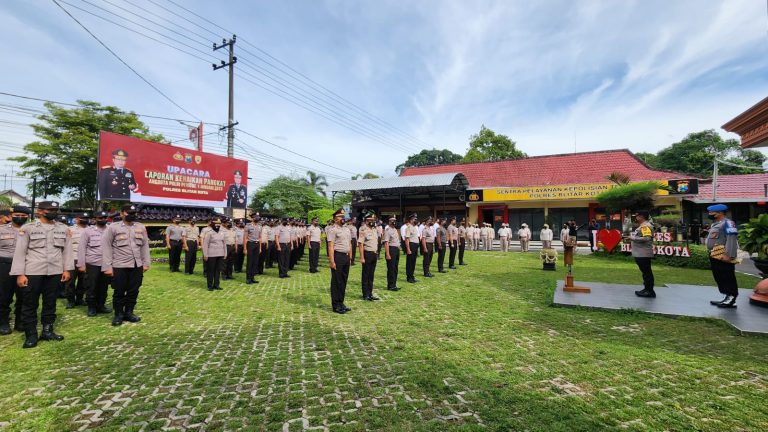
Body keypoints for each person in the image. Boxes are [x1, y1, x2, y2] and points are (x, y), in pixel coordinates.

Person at [11, 201, 73, 348]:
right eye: (49, 210)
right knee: (30, 304)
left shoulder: (63, 228)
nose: (53, 212)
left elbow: (67, 251)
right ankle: (31, 335)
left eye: (55, 209)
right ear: (39, 211)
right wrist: (20, 274)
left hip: (55, 271)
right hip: (33, 272)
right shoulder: (28, 228)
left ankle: (47, 331)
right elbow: (20, 252)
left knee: (50, 303)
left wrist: (67, 269)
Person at [101, 204, 150, 327]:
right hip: (119, 265)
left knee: (134, 290)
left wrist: (146, 263)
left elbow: (144, 246)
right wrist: (107, 266)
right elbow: (106, 247)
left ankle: (129, 312)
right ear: (122, 213)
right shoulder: (113, 227)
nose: (132, 215)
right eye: (129, 213)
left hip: (136, 265)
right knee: (119, 291)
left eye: (134, 213)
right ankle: (118, 315)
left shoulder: (140, 227)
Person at [0, 206, 30, 335]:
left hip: (26, 266)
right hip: (5, 265)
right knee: (4, 296)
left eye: (24, 215)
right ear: (11, 215)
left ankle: (20, 321)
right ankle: (3, 322)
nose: (20, 217)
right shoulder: (1, 230)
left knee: (23, 295)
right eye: (18, 214)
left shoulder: (32, 230)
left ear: (27, 217)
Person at [77, 211, 112, 317]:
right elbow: (81, 248)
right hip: (92, 263)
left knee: (104, 286)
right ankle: (91, 307)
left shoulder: (111, 230)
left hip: (107, 263)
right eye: (100, 217)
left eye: (105, 217)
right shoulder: (88, 231)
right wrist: (81, 264)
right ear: (95, 219)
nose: (102, 219)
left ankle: (101, 305)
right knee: (91, 286)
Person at [706, 204, 740, 308]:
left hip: (724, 254)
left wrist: (729, 255)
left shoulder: (728, 223)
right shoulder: (716, 224)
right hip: (715, 253)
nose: (709, 214)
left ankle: (732, 298)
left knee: (727, 276)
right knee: (719, 276)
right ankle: (726, 296)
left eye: (712, 212)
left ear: (720, 213)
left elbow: (731, 239)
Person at [327, 208, 352, 314]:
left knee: (343, 281)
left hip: (346, 257)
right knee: (337, 281)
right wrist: (332, 261)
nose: (343, 218)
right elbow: (330, 245)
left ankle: (341, 302)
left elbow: (350, 244)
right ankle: (336, 305)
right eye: (340, 217)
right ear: (335, 219)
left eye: (343, 216)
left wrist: (350, 257)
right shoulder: (332, 230)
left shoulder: (347, 229)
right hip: (338, 256)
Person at [629, 211, 655, 298]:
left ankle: (649, 291)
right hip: (641, 253)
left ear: (642, 217)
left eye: (637, 216)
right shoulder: (643, 225)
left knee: (647, 273)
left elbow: (646, 238)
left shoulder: (645, 226)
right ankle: (647, 289)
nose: (636, 218)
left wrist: (632, 238)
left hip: (643, 253)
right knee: (645, 273)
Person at [358, 210, 380, 301]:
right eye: (371, 219)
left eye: (373, 219)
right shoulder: (363, 229)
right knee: (366, 275)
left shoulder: (374, 229)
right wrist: (362, 257)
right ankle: (365, 294)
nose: (373, 221)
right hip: (367, 254)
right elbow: (360, 244)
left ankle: (370, 293)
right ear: (366, 220)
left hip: (374, 254)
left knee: (371, 275)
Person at [202, 218, 227, 291]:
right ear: (212, 224)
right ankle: (210, 285)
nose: (217, 225)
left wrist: (225, 253)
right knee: (211, 270)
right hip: (211, 254)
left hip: (220, 254)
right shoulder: (209, 233)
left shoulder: (222, 233)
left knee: (218, 270)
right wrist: (205, 254)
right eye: (216, 224)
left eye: (219, 224)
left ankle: (216, 285)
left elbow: (224, 244)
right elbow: (205, 244)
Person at [383, 216, 401, 291]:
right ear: (389, 221)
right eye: (392, 220)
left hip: (396, 249)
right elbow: (386, 242)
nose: (394, 222)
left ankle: (394, 284)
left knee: (395, 268)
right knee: (391, 268)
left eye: (395, 220)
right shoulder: (387, 230)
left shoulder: (395, 230)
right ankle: (390, 286)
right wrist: (387, 254)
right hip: (391, 250)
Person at [243, 212, 261, 284]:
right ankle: (248, 278)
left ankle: (252, 277)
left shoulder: (259, 226)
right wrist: (245, 248)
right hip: (250, 244)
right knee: (250, 262)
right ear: (252, 218)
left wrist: (260, 248)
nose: (257, 218)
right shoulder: (248, 226)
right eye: (256, 217)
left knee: (255, 262)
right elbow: (245, 238)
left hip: (257, 244)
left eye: (257, 217)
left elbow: (260, 237)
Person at [404, 214, 420, 283]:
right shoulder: (409, 227)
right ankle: (409, 277)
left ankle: (412, 276)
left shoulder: (414, 227)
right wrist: (408, 249)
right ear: (411, 220)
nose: (416, 220)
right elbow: (407, 239)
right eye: (414, 219)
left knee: (413, 262)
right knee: (410, 262)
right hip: (411, 245)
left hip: (415, 246)